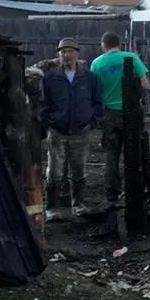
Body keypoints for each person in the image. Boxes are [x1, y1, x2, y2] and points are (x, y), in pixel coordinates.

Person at [41, 37, 104, 220]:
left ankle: (78, 204)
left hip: (81, 131)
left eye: (70, 51)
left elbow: (97, 102)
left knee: (79, 169)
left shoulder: (90, 77)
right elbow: (43, 104)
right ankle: (51, 207)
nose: (67, 55)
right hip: (57, 131)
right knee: (55, 171)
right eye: (63, 52)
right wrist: (49, 123)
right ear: (58, 55)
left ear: (77, 53)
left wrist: (92, 121)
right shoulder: (51, 78)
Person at [88, 31, 150, 206]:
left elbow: (94, 90)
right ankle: (135, 188)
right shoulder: (131, 57)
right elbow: (145, 84)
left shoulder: (97, 63)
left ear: (103, 44)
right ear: (119, 44)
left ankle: (111, 192)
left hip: (110, 114)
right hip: (132, 111)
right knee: (134, 150)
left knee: (111, 153)